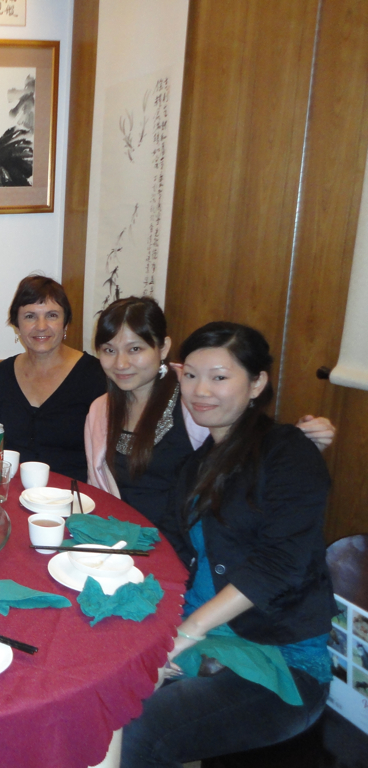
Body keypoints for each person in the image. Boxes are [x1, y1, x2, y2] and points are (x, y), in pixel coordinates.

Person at [121, 322, 333, 767]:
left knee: (142, 728)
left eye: (220, 377)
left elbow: (279, 565)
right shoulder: (195, 466)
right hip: (202, 640)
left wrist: (182, 635)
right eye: (191, 375)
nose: (201, 390)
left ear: (257, 383)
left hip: (279, 662)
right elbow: (172, 555)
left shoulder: (287, 453)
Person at [84, 296, 334, 529]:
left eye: (135, 349)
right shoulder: (100, 410)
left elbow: (245, 449)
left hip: (192, 542)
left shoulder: (195, 397)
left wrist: (301, 437)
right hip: (121, 540)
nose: (121, 363)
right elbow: (99, 488)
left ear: (163, 347)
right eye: (109, 350)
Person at [0, 276, 106, 480]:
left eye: (51, 315)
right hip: (12, 492)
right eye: (30, 316)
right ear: (17, 325)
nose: (41, 326)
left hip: (74, 497)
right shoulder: (1, 375)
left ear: (65, 323)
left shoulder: (94, 375)